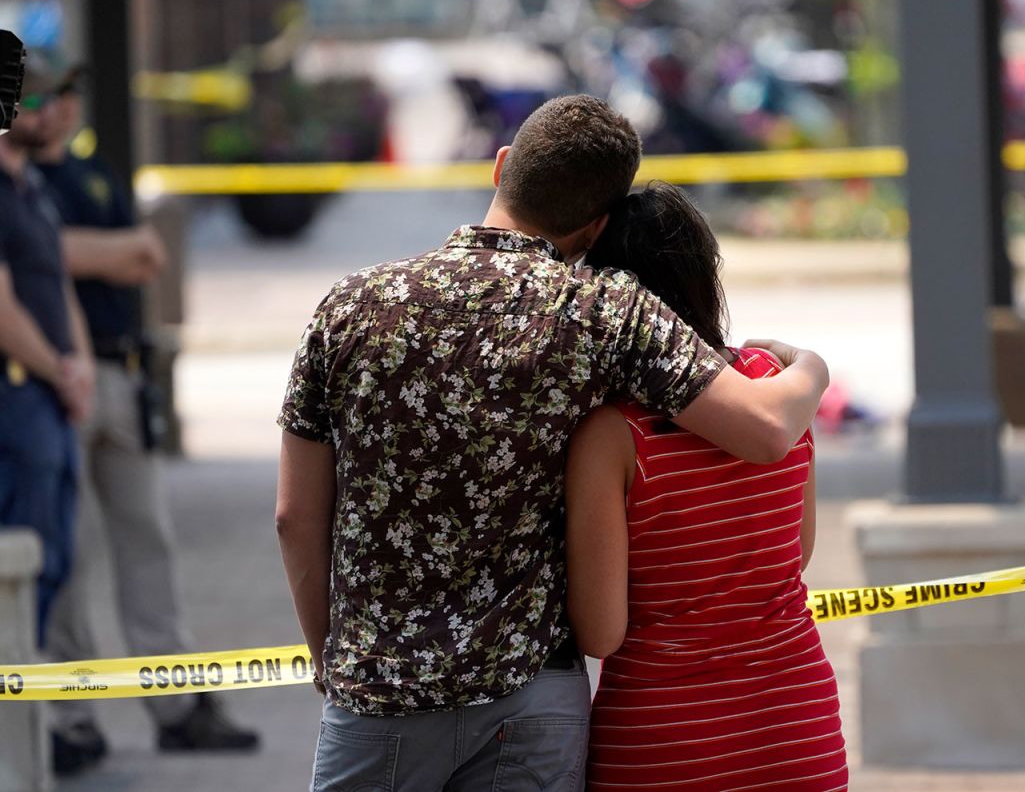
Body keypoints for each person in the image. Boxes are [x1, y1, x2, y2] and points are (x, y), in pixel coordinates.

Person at [275, 94, 829, 791]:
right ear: (596, 225)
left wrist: (337, 662)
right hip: (531, 701)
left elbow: (294, 515)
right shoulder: (603, 311)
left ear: (502, 166)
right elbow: (767, 428)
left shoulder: (349, 306)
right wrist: (812, 367)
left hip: (378, 696)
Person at [567, 182, 848, 790]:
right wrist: (806, 361)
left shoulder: (611, 433)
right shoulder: (774, 388)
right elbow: (794, 557)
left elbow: (600, 631)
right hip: (797, 726)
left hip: (663, 741)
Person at [33, 64, 260, 775]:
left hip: (121, 373)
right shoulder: (17, 181)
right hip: (53, 376)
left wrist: (78, 255)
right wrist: (96, 254)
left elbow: (146, 256)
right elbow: (46, 257)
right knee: (65, 554)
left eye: (70, 93)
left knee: (147, 541)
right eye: (43, 95)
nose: (62, 107)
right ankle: (69, 713)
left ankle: (176, 704)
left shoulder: (92, 174)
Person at [0, 62, 93, 653]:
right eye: (30, 101)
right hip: (18, 392)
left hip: (51, 393)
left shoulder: (30, 189)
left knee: (54, 556)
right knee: (24, 559)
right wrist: (59, 370)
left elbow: (57, 286)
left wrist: (78, 362)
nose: (47, 111)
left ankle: (29, 731)